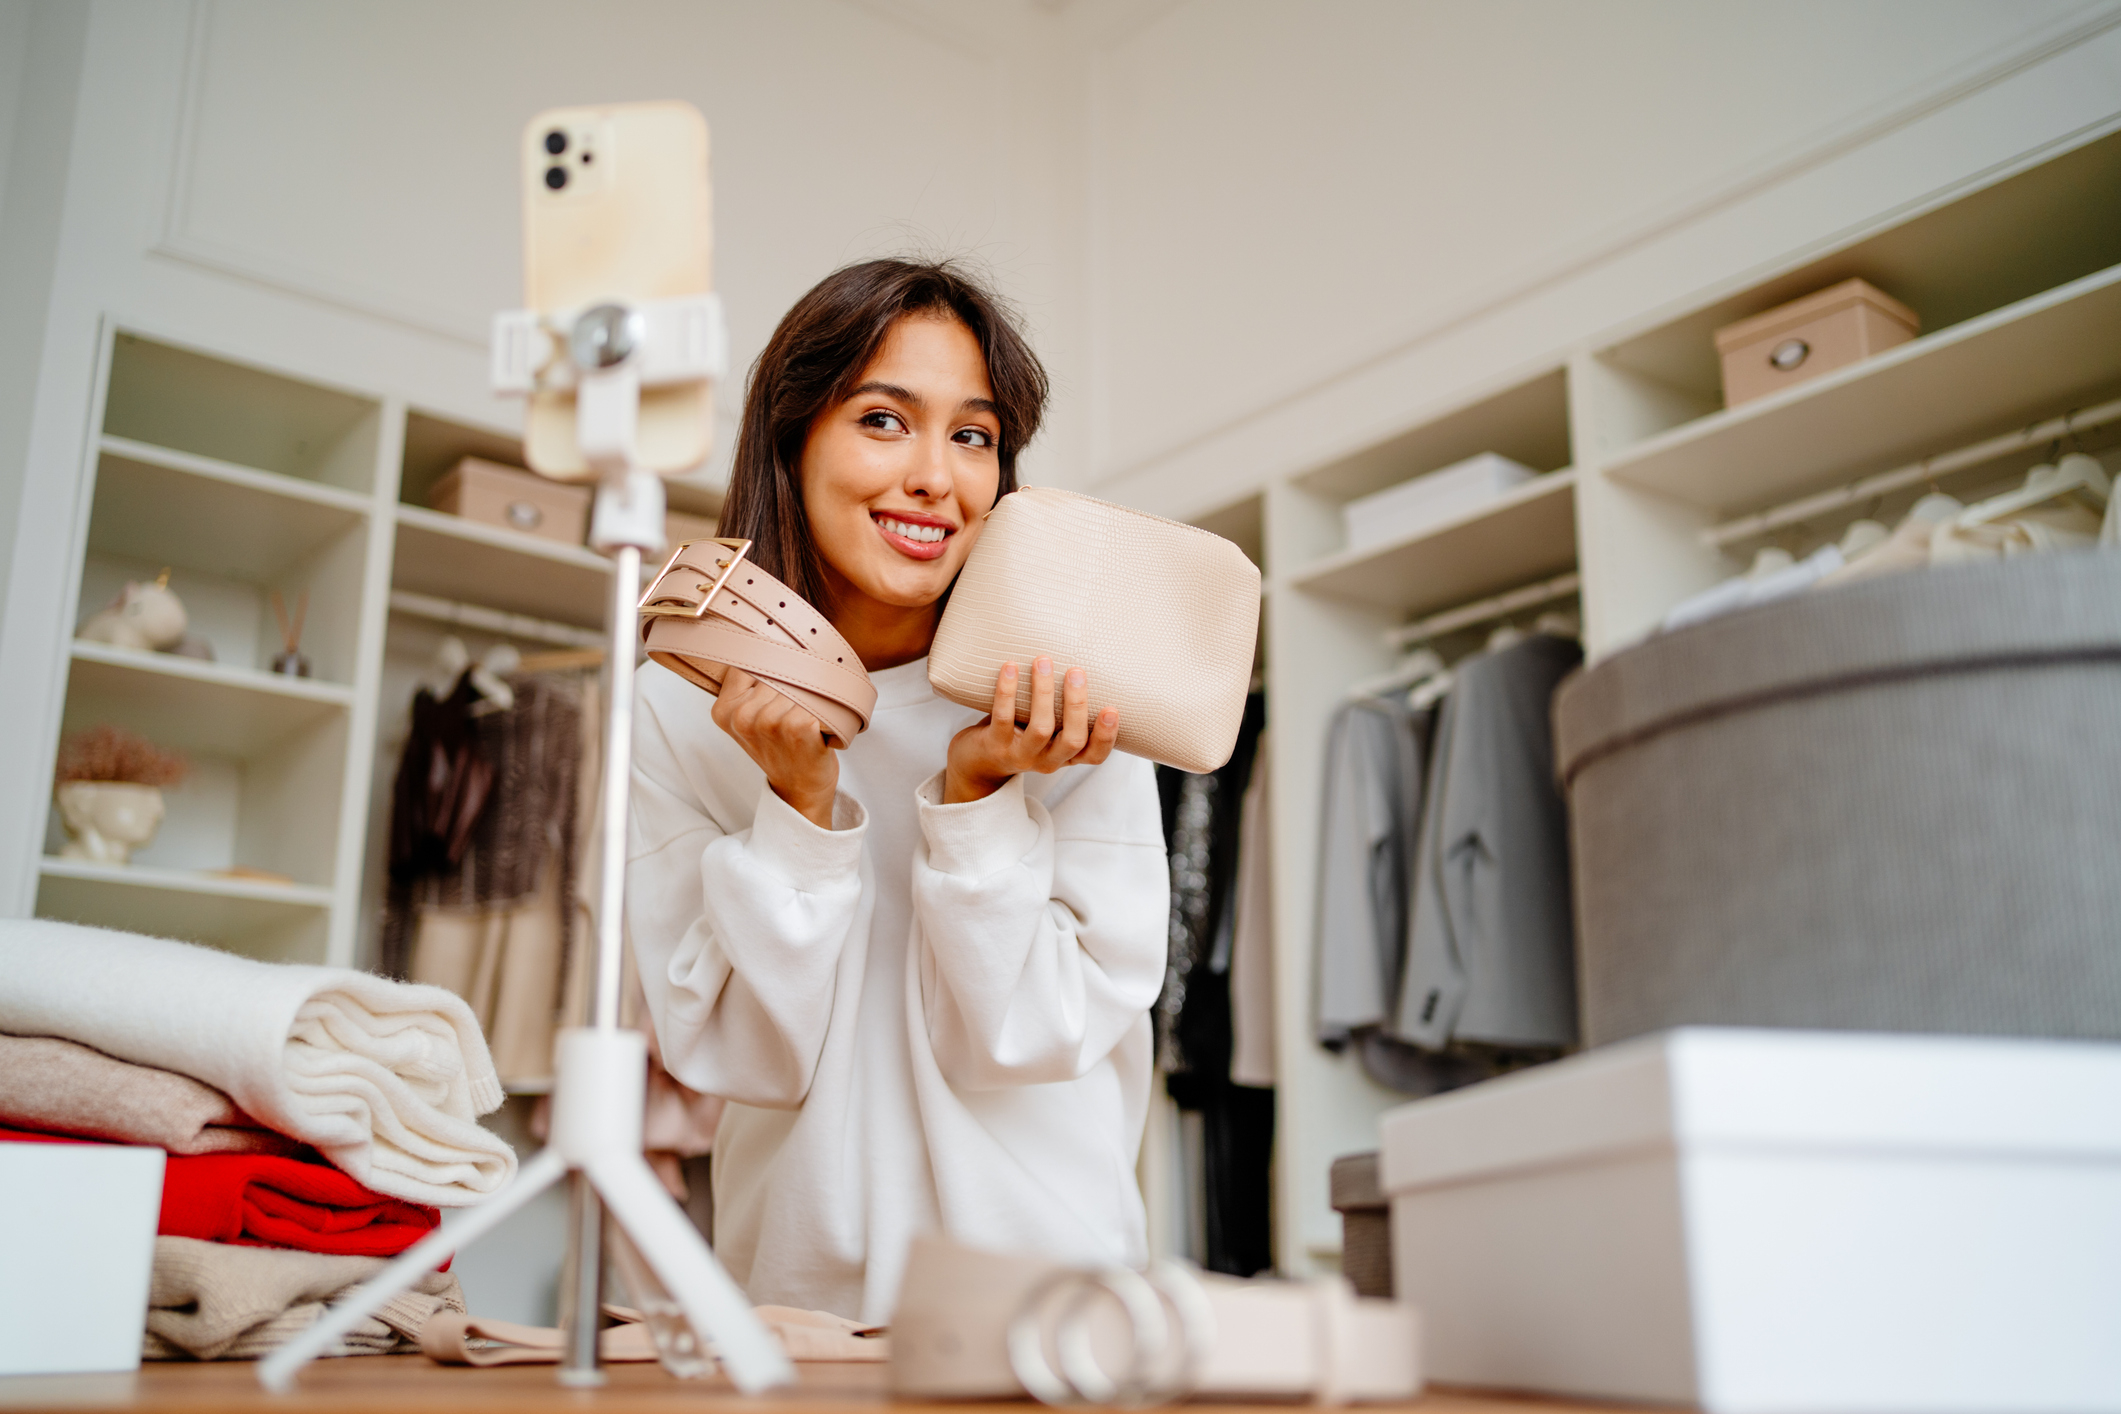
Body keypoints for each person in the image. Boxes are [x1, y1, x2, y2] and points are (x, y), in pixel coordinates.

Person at [628, 258, 1168, 1323]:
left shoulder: (1066, 694)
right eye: (884, 420)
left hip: (1045, 1294)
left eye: (974, 435)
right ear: (792, 437)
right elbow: (737, 1053)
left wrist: (976, 798)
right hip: (796, 1296)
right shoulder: (681, 703)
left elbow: (1030, 1037)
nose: (936, 476)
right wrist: (795, 809)